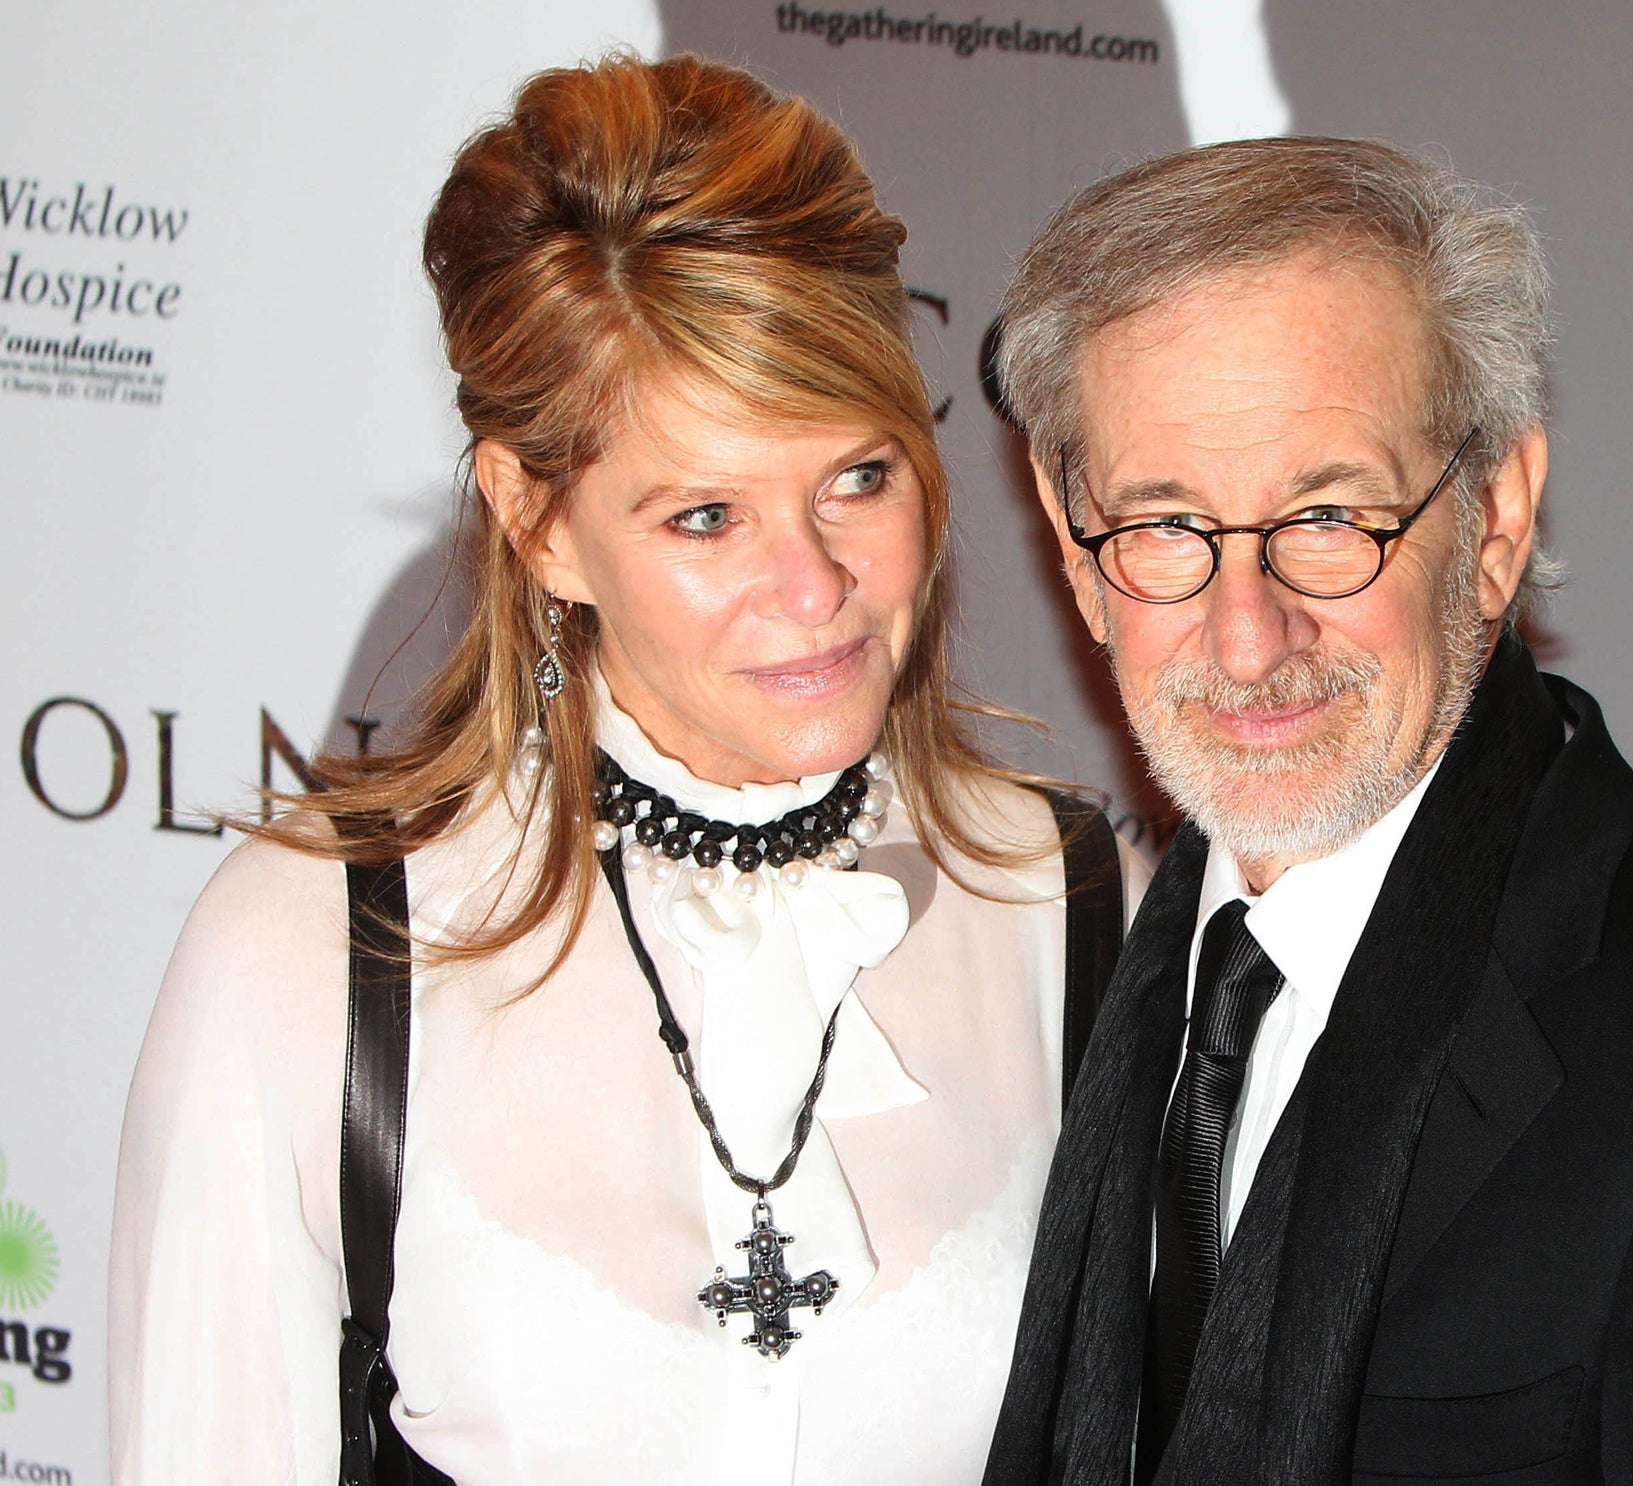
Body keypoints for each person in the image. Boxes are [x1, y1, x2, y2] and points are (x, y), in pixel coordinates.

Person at [109, 53, 1140, 1486]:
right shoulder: (308, 958)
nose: (815, 584)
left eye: (858, 476)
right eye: (708, 514)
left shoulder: (1089, 911)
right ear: (536, 521)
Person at [982, 137, 1633, 1485]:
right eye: (1167, 527)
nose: (1244, 635)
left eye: (1328, 516)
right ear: (1074, 542)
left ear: (1499, 513)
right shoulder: (1090, 972)